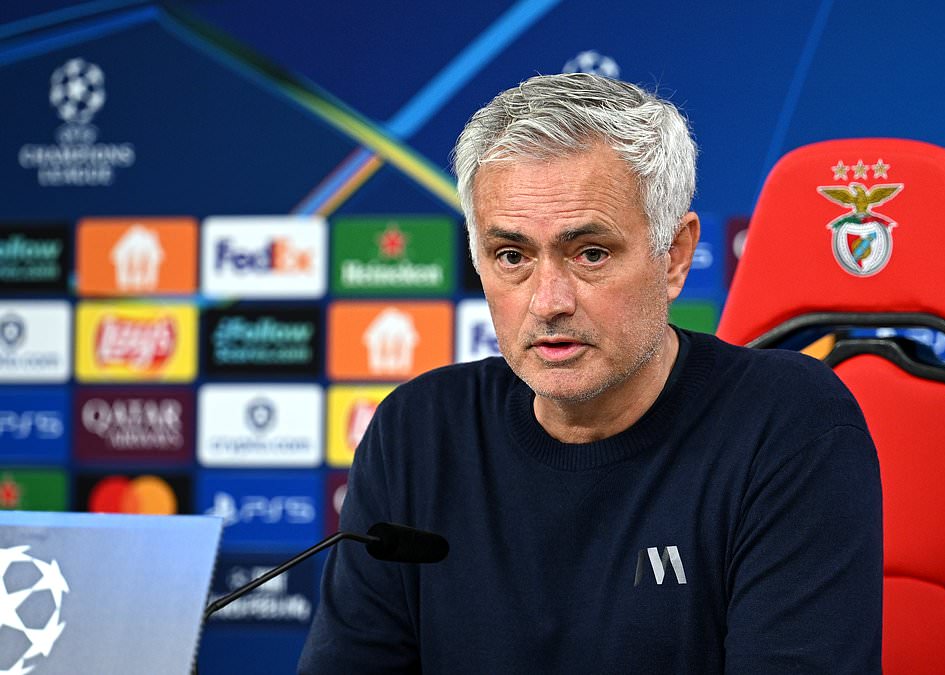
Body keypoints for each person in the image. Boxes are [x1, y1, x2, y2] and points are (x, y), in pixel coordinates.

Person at [300, 73, 882, 674]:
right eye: (512, 256)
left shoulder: (788, 426)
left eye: (591, 254)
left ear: (675, 256)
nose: (548, 301)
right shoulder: (417, 433)